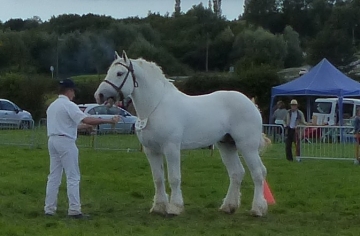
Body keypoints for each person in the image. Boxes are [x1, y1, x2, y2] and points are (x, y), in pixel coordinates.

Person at [45, 78, 120, 219]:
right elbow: (87, 119)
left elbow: (69, 125)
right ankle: (74, 210)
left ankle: (49, 209)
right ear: (70, 91)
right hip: (66, 142)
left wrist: (86, 127)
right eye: (73, 91)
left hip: (53, 140)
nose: (74, 94)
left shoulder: (53, 106)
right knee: (73, 176)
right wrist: (108, 120)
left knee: (54, 176)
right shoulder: (69, 105)